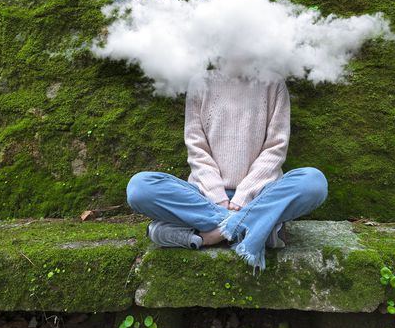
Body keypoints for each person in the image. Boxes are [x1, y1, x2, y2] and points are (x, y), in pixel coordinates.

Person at [125, 67, 328, 274]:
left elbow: (275, 149)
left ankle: (210, 235)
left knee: (313, 182)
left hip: (261, 195)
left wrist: (243, 197)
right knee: (140, 187)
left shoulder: (274, 83)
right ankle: (260, 228)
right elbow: (197, 150)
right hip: (203, 198)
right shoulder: (199, 83)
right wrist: (218, 198)